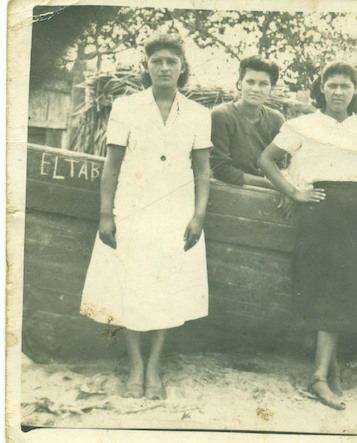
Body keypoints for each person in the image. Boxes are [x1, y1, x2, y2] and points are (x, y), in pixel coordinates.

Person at [258, 62, 357, 410]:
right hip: (318, 210)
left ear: (356, 91)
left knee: (345, 289)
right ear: (320, 88)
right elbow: (266, 159)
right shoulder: (302, 125)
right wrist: (294, 191)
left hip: (355, 214)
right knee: (321, 287)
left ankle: (327, 369)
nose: (338, 92)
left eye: (346, 86)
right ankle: (321, 376)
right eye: (332, 85)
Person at [80, 33, 212, 400]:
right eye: (157, 61)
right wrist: (106, 215)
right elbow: (111, 167)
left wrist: (198, 216)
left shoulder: (199, 114)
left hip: (177, 212)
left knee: (166, 289)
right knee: (131, 287)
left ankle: (154, 365)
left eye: (172, 61)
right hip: (132, 209)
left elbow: (203, 171)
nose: (164, 67)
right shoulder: (126, 106)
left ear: (183, 68)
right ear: (147, 67)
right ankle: (135, 364)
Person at [210, 55, 285, 188]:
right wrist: (271, 184)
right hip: (227, 190)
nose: (255, 89)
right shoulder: (222, 115)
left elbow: (279, 166)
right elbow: (221, 169)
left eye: (263, 84)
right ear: (239, 84)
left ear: (271, 89)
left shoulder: (276, 120)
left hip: (265, 193)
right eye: (250, 82)